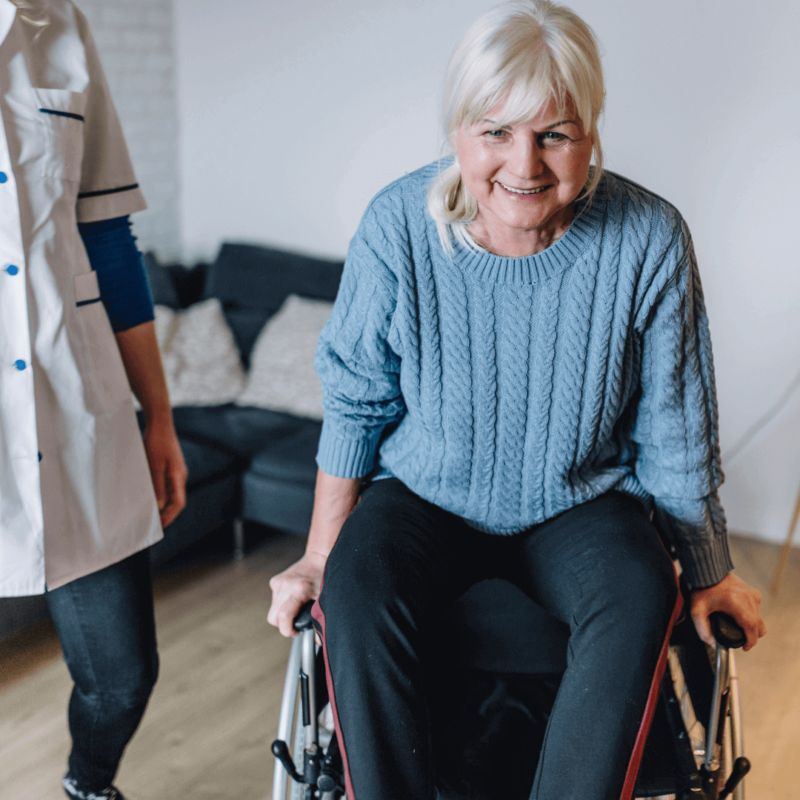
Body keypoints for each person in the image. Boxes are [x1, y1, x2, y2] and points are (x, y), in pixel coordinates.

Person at [267, 1, 767, 798]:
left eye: (554, 134)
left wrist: (708, 572)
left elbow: (676, 431)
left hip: (581, 501)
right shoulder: (398, 224)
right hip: (426, 497)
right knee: (358, 582)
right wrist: (321, 555)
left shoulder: (649, 238)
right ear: (457, 131)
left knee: (641, 587)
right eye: (495, 131)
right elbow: (358, 399)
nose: (524, 163)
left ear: (591, 132)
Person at [0, 2, 187, 798]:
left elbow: (108, 237)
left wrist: (160, 416)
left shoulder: (59, 27)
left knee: (122, 672)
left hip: (74, 404)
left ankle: (87, 786)